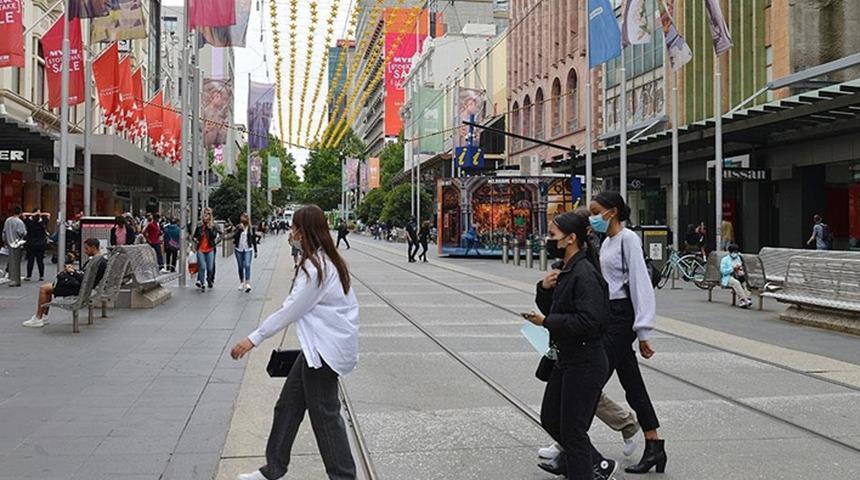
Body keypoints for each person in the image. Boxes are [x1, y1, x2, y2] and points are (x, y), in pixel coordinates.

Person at [230, 205, 359, 480]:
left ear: (304, 231)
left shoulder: (317, 268)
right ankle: (272, 470)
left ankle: (344, 477)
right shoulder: (322, 261)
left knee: (325, 417)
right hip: (317, 349)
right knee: (287, 407)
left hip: (324, 351)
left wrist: (253, 339)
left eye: (294, 228)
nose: (291, 233)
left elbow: (290, 310)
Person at [525, 211, 617, 480]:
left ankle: (589, 469)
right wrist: (544, 288)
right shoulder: (566, 270)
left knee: (573, 431)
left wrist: (546, 322)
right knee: (552, 418)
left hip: (585, 360)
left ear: (571, 238)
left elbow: (590, 321)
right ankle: (594, 464)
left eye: (553, 235)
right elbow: (557, 308)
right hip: (567, 358)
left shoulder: (584, 273)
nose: (549, 240)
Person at [589, 191, 667, 474]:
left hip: (621, 318)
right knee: (633, 384)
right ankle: (654, 445)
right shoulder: (606, 241)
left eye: (596, 212)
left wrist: (643, 331)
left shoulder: (628, 239)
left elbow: (639, 283)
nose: (592, 217)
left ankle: (570, 445)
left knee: (589, 380)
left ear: (612, 211)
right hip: (608, 316)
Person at [22, 238, 107, 328]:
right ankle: (44, 316)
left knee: (44, 289)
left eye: (87, 248)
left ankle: (38, 317)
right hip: (84, 287)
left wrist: (72, 272)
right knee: (47, 288)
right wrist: (73, 270)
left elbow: (84, 278)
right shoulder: (100, 260)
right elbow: (86, 276)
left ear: (93, 247)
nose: (85, 251)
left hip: (79, 288)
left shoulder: (95, 262)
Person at [192, 210, 220, 291]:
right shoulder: (199, 226)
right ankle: (202, 283)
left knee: (210, 268)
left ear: (210, 217)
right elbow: (194, 236)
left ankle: (209, 279)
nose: (205, 217)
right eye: (204, 215)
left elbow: (214, 236)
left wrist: (209, 228)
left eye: (207, 215)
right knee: (202, 266)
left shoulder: (213, 226)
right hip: (200, 249)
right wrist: (195, 242)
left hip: (210, 249)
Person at [721, 244, 752, 308]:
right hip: (728, 277)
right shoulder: (725, 260)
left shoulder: (738, 258)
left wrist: (740, 270)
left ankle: (747, 299)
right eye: (734, 252)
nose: (735, 253)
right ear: (730, 252)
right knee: (736, 283)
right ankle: (744, 299)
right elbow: (723, 271)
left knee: (746, 283)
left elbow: (741, 267)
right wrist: (732, 269)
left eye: (736, 252)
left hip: (738, 275)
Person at [234, 213, 258, 293]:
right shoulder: (238, 227)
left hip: (248, 249)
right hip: (239, 249)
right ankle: (241, 282)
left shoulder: (251, 228)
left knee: (247, 265)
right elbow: (234, 237)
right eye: (242, 217)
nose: (244, 219)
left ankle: (247, 283)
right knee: (240, 266)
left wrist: (256, 250)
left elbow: (253, 239)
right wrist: (239, 230)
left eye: (245, 218)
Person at [23, 210, 50, 281]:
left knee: (30, 261)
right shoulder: (43, 223)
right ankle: (41, 276)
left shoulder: (30, 223)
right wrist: (40, 213)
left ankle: (28, 276)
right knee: (40, 261)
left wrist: (33, 214)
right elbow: (48, 214)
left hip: (31, 244)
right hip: (41, 244)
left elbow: (24, 214)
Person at [2, 206, 27, 277]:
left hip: (9, 241)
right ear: (20, 213)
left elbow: (4, 231)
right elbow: (22, 233)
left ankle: (8, 272)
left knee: (11, 258)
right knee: (16, 259)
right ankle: (12, 273)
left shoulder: (8, 220)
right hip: (17, 243)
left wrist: (4, 240)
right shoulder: (20, 222)